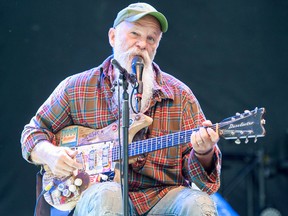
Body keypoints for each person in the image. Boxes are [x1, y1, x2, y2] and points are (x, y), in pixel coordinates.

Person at [21, 2, 222, 216]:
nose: (142, 44)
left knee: (199, 203)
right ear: (113, 37)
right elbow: (32, 133)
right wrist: (51, 154)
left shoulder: (181, 96)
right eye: (135, 34)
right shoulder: (77, 87)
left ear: (156, 46)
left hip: (163, 197)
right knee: (109, 194)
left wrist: (204, 152)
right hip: (100, 194)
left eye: (151, 38)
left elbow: (207, 185)